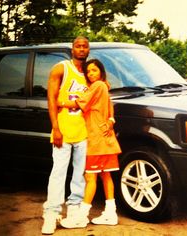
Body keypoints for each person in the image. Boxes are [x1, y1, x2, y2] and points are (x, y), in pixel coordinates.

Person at [58, 59, 122, 228]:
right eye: (88, 72)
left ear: (101, 71)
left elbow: (80, 103)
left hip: (95, 139)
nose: (91, 73)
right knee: (105, 175)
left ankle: (81, 216)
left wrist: (60, 102)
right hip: (105, 139)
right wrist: (110, 120)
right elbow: (110, 112)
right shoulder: (104, 87)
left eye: (94, 70)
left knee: (90, 177)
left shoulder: (97, 86)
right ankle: (110, 213)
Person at [41, 36, 90, 235]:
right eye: (78, 46)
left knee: (80, 173)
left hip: (84, 131)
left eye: (85, 46)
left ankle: (74, 208)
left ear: (88, 50)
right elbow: (51, 99)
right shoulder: (61, 68)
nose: (81, 49)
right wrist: (56, 127)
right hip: (64, 128)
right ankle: (51, 213)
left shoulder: (91, 72)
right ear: (72, 49)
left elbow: (102, 92)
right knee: (58, 172)